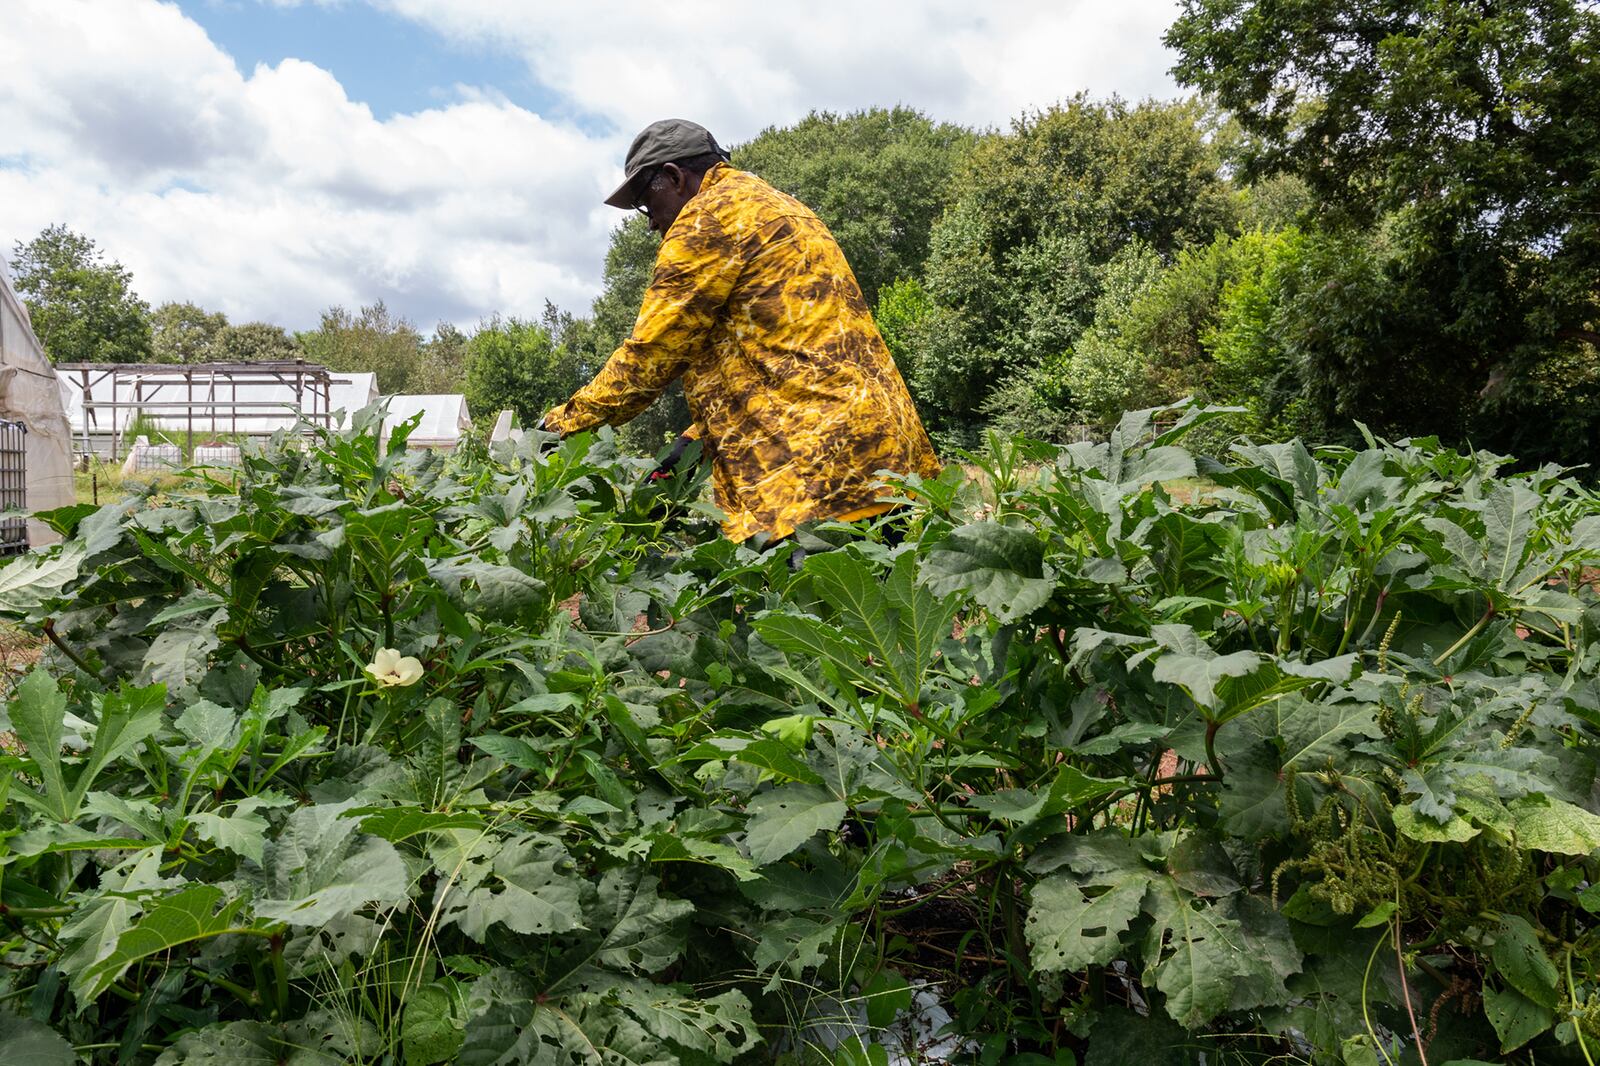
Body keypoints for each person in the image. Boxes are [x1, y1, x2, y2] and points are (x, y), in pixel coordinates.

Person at [541, 118, 940, 545]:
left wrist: (560, 426)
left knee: (798, 611)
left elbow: (652, 355)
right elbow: (786, 360)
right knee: (883, 610)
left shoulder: (707, 218)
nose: (651, 222)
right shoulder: (786, 209)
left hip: (810, 481)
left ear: (675, 177)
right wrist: (693, 443)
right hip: (885, 466)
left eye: (646, 201)